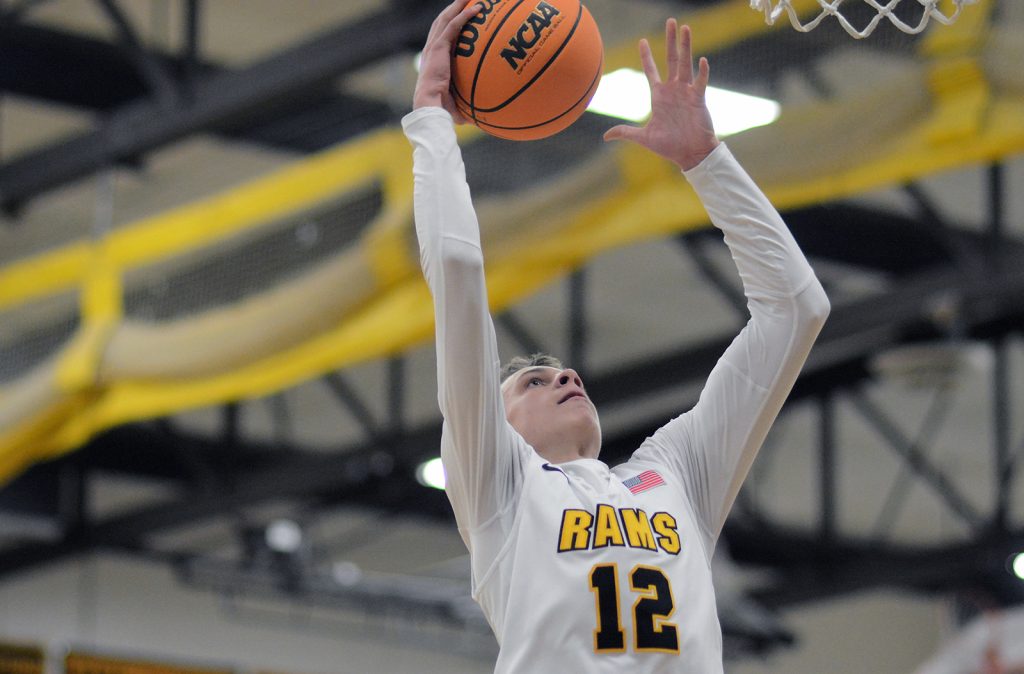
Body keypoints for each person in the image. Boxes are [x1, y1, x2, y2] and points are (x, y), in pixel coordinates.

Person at [403, 2, 830, 671]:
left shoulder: (677, 473)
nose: (565, 377)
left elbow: (796, 309)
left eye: (563, 372)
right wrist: (430, 116)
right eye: (534, 382)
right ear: (494, 427)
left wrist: (707, 162)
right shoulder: (502, 487)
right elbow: (457, 269)